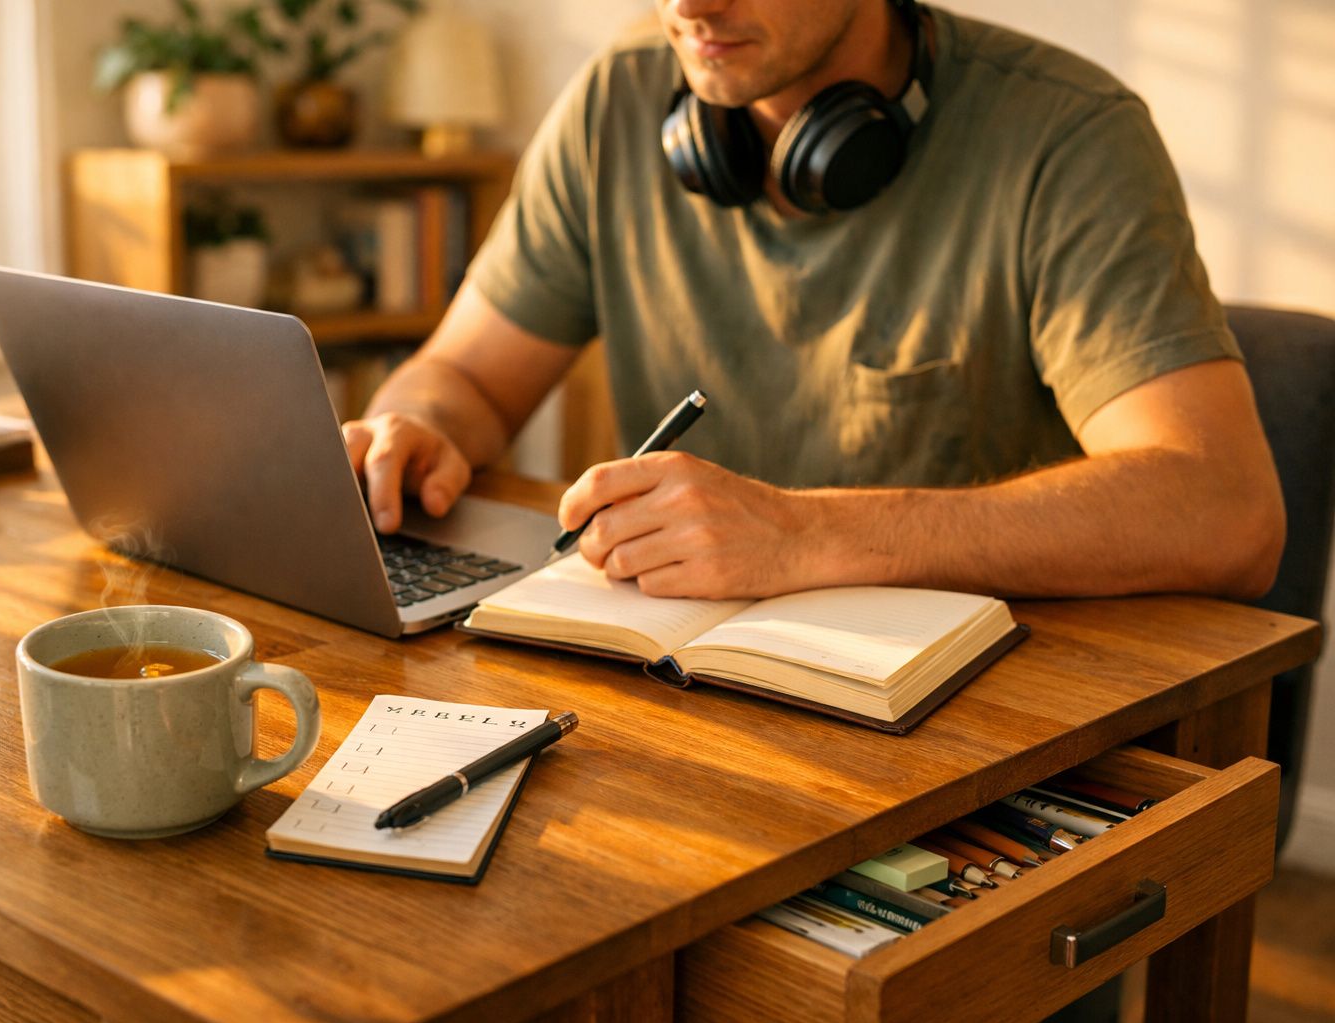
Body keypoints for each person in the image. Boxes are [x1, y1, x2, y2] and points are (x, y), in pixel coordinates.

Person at [341, 0, 1284, 602]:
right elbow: (467, 375)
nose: (688, 8)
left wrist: (805, 534)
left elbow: (1224, 510)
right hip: (685, 681)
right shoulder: (618, 99)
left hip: (980, 708)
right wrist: (413, 428)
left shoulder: (1068, 136)